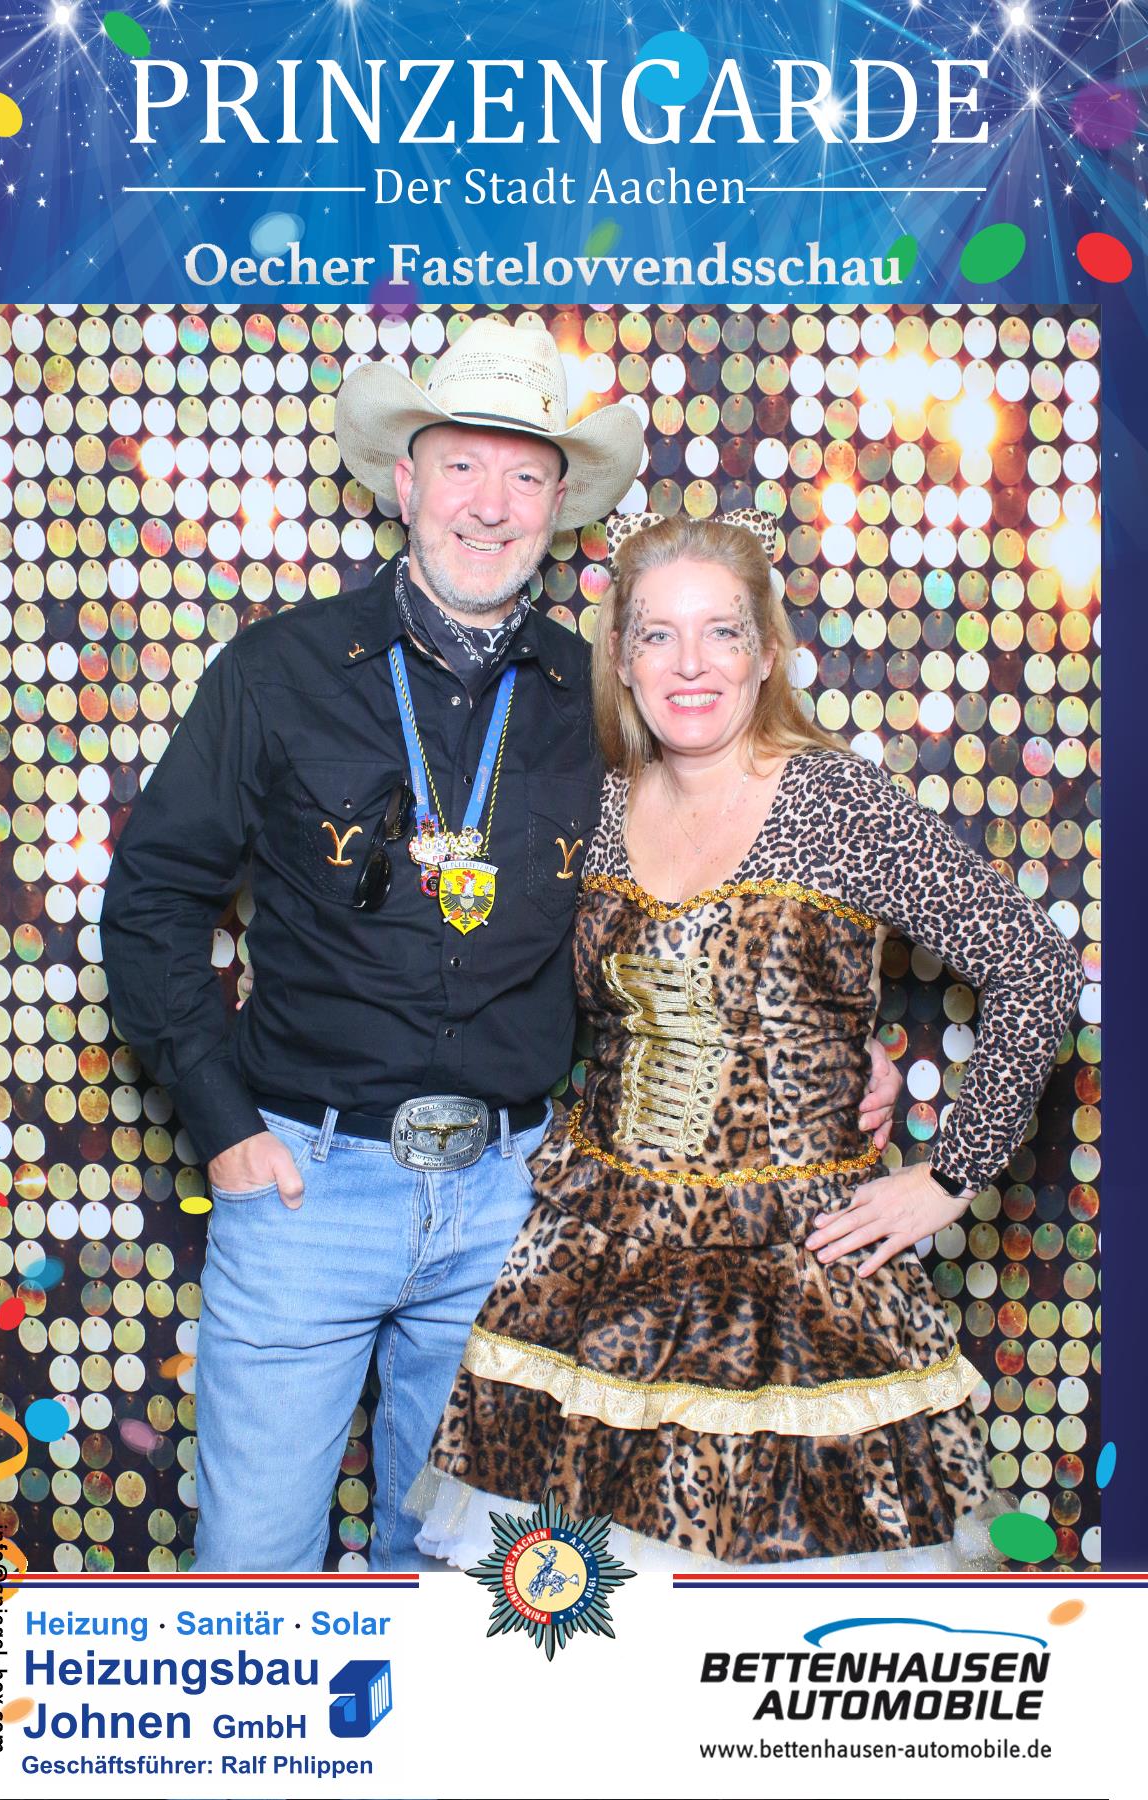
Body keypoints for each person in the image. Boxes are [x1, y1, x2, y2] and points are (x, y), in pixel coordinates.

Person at [101, 317, 900, 1574]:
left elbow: (701, 891)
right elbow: (152, 898)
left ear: (559, 506)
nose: (490, 503)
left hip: (514, 1207)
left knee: (486, 1594)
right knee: (252, 1573)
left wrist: (831, 1042)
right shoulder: (276, 671)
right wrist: (224, 1125)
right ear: (404, 481)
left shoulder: (606, 700)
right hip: (306, 1186)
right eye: (462, 465)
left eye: (525, 474)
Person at [413, 508, 1084, 1571]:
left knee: (789, 1621)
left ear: (767, 654)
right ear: (621, 661)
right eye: (658, 634)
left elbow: (1036, 968)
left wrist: (950, 1176)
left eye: (721, 632)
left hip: (798, 1270)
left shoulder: (835, 802)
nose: (691, 664)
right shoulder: (592, 805)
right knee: (574, 1616)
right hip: (598, 1263)